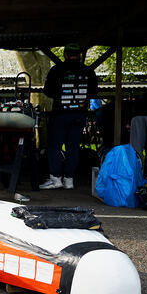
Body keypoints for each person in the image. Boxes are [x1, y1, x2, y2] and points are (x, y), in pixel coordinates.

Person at [40, 43, 98, 190]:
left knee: (55, 146)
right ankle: (69, 180)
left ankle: (55, 179)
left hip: (60, 114)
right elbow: (93, 93)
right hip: (79, 115)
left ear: (65, 54)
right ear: (79, 55)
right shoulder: (88, 71)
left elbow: (47, 91)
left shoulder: (56, 70)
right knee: (73, 147)